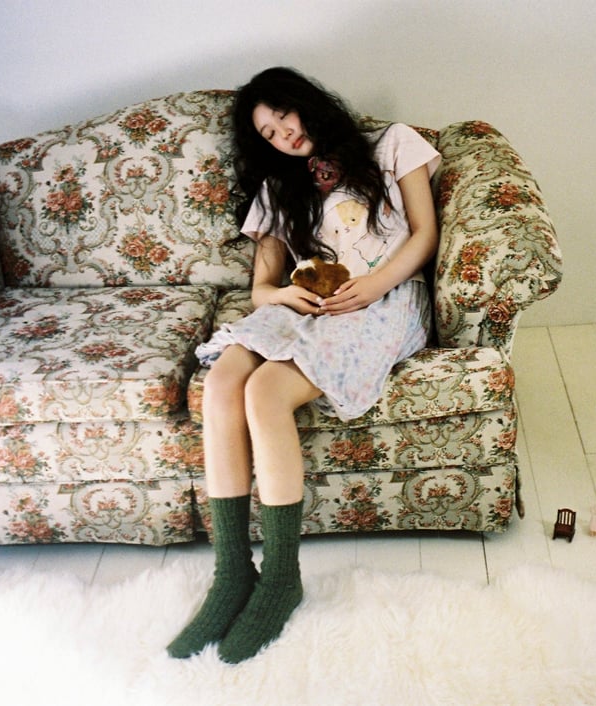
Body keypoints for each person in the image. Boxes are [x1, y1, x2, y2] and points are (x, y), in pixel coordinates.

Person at [167, 67, 440, 663]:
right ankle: (232, 573)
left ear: (306, 103)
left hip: (387, 300)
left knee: (265, 391)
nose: (283, 135)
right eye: (268, 133)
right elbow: (261, 288)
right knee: (222, 380)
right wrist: (285, 296)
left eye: (283, 116)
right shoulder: (278, 188)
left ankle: (281, 578)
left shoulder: (393, 144)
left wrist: (374, 285)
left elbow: (424, 235)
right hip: (306, 305)